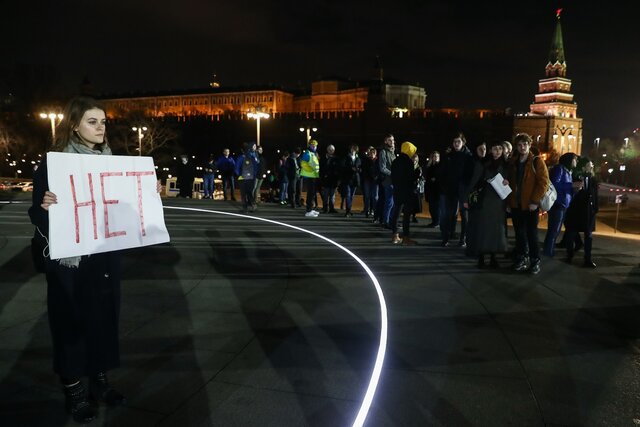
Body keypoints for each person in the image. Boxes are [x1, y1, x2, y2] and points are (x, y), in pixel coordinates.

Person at [29, 97, 128, 424]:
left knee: (103, 319)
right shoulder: (53, 163)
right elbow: (37, 213)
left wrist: (146, 193)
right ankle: (74, 390)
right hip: (70, 262)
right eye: (92, 121)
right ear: (74, 125)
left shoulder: (111, 161)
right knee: (70, 324)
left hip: (103, 257)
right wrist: (44, 206)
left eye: (103, 122)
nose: (101, 128)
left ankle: (99, 382)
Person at [506, 133, 549, 274]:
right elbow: (510, 182)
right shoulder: (513, 162)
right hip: (516, 204)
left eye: (525, 144)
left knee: (531, 234)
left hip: (530, 205)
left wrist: (535, 201)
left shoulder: (536, 161)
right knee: (519, 234)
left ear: (529, 145)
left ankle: (535, 261)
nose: (522, 147)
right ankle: (521, 258)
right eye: (519, 145)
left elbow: (543, 183)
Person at [464, 141, 508, 268]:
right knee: (483, 230)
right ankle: (482, 257)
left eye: (500, 148)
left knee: (496, 230)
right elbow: (473, 182)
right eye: (495, 148)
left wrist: (507, 182)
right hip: (485, 200)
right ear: (490, 150)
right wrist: (465, 198)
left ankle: (494, 257)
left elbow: (510, 181)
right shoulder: (483, 164)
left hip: (499, 201)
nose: (498, 151)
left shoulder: (506, 165)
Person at [438, 132, 473, 247]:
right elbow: (443, 172)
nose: (456, 143)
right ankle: (446, 237)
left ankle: (463, 238)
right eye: (454, 142)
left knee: (464, 215)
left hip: (463, 189)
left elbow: (470, 174)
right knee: (450, 214)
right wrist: (444, 186)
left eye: (458, 141)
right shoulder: (449, 155)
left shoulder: (468, 156)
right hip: (451, 188)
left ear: (463, 142)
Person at [564, 157, 599, 268]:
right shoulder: (575, 177)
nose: (591, 167)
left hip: (589, 211)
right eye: (589, 165)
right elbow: (571, 191)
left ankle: (587, 259)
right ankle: (569, 256)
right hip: (576, 210)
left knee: (588, 235)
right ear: (583, 167)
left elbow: (595, 195)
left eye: (592, 165)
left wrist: (595, 209)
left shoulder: (593, 179)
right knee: (571, 233)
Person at [542, 152, 578, 257]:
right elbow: (554, 185)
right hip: (557, 204)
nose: (576, 161)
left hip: (563, 205)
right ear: (569, 160)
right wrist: (571, 185)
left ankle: (549, 250)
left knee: (556, 230)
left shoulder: (568, 172)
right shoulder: (559, 169)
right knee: (553, 230)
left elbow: (568, 189)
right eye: (574, 159)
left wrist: (575, 189)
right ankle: (548, 252)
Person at [390, 141, 419, 245]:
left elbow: (393, 177)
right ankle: (406, 238)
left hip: (397, 191)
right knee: (406, 216)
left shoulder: (395, 161)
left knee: (396, 213)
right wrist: (417, 174)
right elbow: (411, 179)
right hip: (407, 192)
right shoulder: (409, 162)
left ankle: (395, 236)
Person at [377, 134, 396, 227]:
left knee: (393, 203)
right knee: (389, 202)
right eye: (390, 140)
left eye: (392, 140)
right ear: (385, 141)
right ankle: (386, 221)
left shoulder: (392, 152)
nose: (392, 141)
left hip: (394, 181)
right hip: (388, 181)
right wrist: (393, 174)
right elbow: (382, 168)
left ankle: (392, 221)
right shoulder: (383, 152)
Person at [235, 142, 259, 213]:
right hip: (251, 178)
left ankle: (245, 209)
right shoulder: (252, 157)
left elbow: (236, 168)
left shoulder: (240, 157)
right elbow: (255, 168)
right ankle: (253, 204)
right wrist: (253, 176)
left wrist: (239, 175)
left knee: (243, 193)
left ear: (242, 150)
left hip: (242, 177)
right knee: (249, 192)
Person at [300, 139, 321, 217]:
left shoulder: (313, 153)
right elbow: (303, 164)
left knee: (312, 194)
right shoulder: (308, 153)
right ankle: (308, 211)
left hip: (313, 176)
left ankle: (311, 209)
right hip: (309, 176)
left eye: (315, 145)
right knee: (310, 194)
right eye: (313, 145)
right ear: (309, 145)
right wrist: (311, 170)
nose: (314, 147)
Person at [341, 144, 362, 217]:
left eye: (355, 149)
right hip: (347, 179)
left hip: (355, 179)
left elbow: (360, 168)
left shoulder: (358, 158)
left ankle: (349, 210)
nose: (353, 150)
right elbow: (342, 166)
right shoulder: (346, 157)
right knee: (348, 195)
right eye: (352, 149)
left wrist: (358, 169)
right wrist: (350, 168)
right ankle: (348, 211)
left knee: (351, 196)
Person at [320, 144, 340, 213]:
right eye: (330, 150)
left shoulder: (336, 159)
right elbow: (321, 169)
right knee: (325, 195)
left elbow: (338, 170)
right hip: (325, 180)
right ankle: (325, 208)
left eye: (332, 150)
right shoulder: (323, 158)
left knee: (332, 195)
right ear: (327, 150)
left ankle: (332, 208)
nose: (331, 151)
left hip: (333, 180)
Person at [424, 151, 441, 228]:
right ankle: (434, 221)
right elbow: (426, 174)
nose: (435, 157)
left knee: (436, 207)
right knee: (431, 207)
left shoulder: (440, 166)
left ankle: (437, 222)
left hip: (437, 190)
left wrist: (436, 178)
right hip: (430, 189)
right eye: (434, 156)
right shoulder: (429, 166)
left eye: (436, 156)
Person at [361, 147, 379, 218]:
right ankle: (367, 210)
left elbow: (379, 169)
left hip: (375, 181)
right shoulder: (366, 161)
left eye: (373, 153)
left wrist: (376, 176)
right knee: (367, 196)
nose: (371, 155)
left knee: (375, 197)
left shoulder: (377, 161)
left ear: (375, 154)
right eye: (370, 153)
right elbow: (364, 170)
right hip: (367, 180)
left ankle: (375, 211)